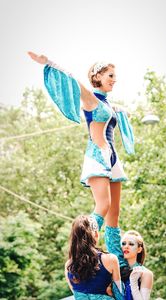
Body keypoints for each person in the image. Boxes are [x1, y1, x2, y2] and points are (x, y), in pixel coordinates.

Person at [28, 51, 134, 230]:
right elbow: (73, 81)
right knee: (103, 206)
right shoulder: (91, 100)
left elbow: (116, 112)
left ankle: (116, 255)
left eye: (115, 76)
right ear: (98, 76)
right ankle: (84, 244)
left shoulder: (108, 105)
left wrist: (122, 109)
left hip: (112, 158)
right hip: (98, 156)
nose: (114, 79)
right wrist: (49, 62)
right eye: (111, 75)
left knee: (114, 214)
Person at [64, 214, 124, 299]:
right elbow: (119, 292)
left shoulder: (68, 265)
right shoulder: (111, 259)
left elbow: (77, 295)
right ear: (96, 233)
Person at [104, 225, 153, 300]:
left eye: (131, 244)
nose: (126, 246)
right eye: (123, 244)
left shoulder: (146, 274)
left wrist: (134, 282)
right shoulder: (115, 269)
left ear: (139, 249)